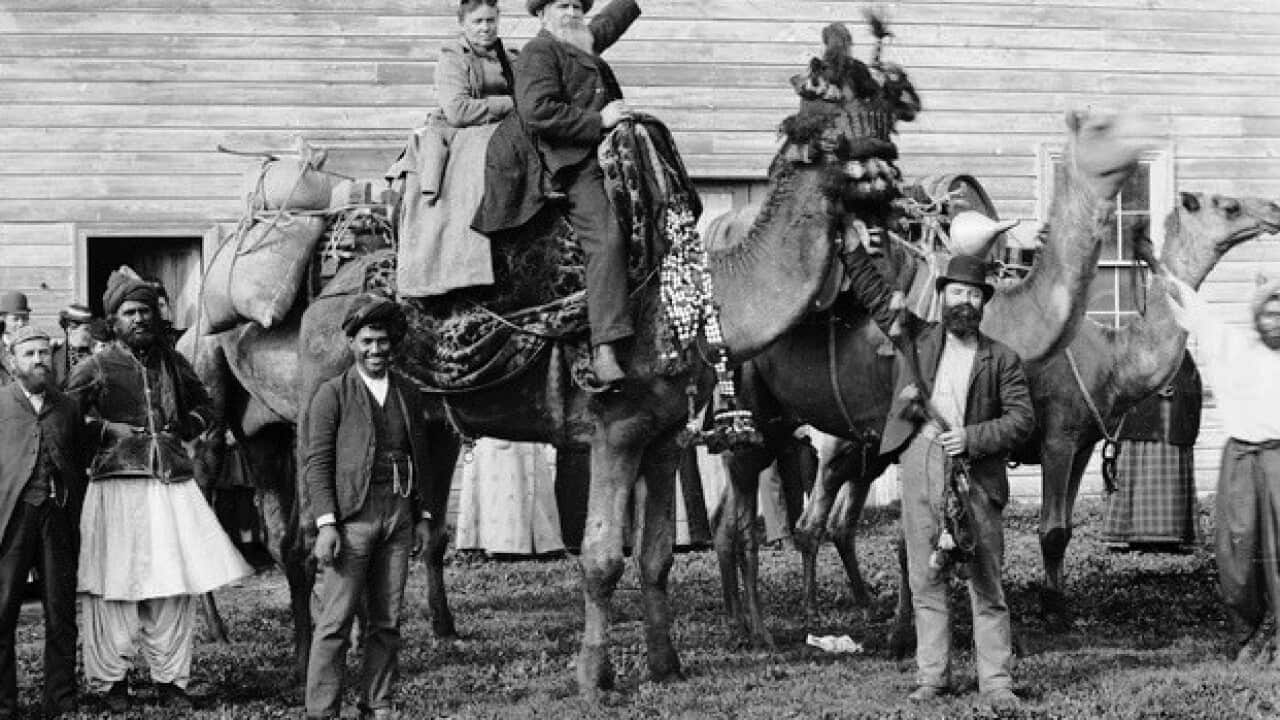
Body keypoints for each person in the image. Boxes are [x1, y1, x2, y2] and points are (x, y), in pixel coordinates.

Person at [843, 244, 1034, 706]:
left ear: (983, 303)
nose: (964, 302)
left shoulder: (1002, 359)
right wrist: (851, 248)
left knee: (985, 580)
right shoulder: (918, 338)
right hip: (920, 463)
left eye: (973, 294)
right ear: (943, 298)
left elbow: (1022, 419)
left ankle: (996, 681)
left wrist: (973, 437)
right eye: (956, 293)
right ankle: (933, 677)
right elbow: (874, 294)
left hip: (976, 477)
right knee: (924, 578)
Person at [65, 269, 251, 712]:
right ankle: (111, 684)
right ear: (114, 320)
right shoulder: (96, 366)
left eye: (145, 311)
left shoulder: (172, 362)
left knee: (171, 583)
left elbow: (206, 405)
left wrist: (186, 426)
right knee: (116, 586)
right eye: (130, 313)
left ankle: (171, 680)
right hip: (116, 488)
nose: (140, 319)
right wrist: (107, 429)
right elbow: (65, 420)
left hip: (169, 488)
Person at [303, 294, 435, 720]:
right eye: (367, 341)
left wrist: (424, 516)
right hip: (352, 518)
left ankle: (377, 703)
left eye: (383, 341)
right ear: (352, 342)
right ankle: (322, 710)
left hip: (398, 515)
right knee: (334, 622)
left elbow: (422, 456)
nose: (376, 350)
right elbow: (317, 461)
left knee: (386, 621)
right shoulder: (332, 395)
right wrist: (327, 523)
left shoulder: (408, 394)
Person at [514, 0, 642, 384]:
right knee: (605, 237)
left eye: (577, 4)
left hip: (609, 156)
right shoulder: (540, 52)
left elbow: (610, 21)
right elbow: (537, 111)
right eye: (562, 5)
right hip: (570, 162)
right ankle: (605, 346)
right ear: (541, 14)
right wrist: (597, 120)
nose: (571, 11)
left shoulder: (579, 41)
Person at [1166, 274, 1280, 661]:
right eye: (1269, 311)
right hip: (1241, 461)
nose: (1276, 319)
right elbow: (1194, 310)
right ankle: (1247, 633)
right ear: (1256, 316)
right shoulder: (1231, 346)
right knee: (1237, 552)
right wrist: (1154, 263)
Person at [0, 326, 86, 718]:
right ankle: (4, 703)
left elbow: (78, 458)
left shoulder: (67, 407)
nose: (38, 361)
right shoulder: (1, 404)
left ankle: (61, 700)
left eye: (43, 353)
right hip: (12, 521)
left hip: (57, 519)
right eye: (29, 354)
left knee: (60, 610)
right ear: (11, 362)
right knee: (3, 612)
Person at [1103, 352, 1202, 551]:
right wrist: (1153, 389)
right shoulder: (1135, 348)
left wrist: (1176, 390)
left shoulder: (1181, 353)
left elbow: (1192, 387)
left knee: (1170, 473)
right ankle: (1130, 533)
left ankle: (1172, 535)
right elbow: (1121, 385)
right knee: (1137, 471)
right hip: (1139, 424)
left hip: (1170, 425)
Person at [54, 303, 94, 387]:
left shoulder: (95, 356)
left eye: (91, 330)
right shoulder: (53, 356)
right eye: (86, 329)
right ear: (70, 328)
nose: (90, 334)